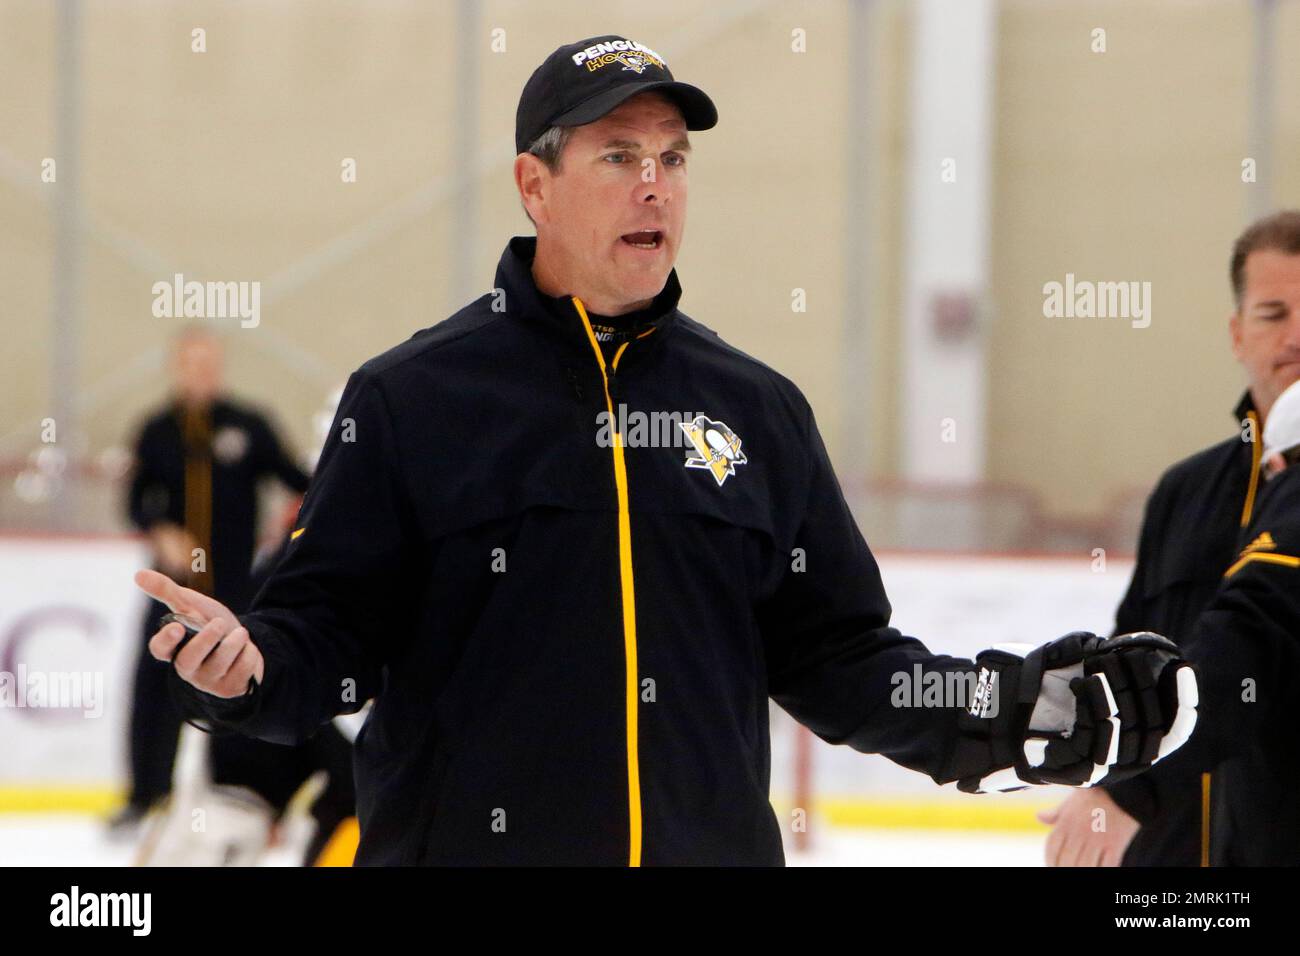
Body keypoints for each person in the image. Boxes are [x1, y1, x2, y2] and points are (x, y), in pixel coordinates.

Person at [133, 35, 1195, 866]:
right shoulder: (412, 400)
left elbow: (842, 657)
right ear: (534, 184)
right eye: (619, 156)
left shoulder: (755, 409)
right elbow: (328, 634)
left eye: (673, 158)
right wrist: (249, 667)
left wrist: (1014, 713)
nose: (656, 184)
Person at [1041, 211, 1300, 866]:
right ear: (1238, 332)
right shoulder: (1184, 494)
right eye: (1274, 314)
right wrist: (1106, 782)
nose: (1297, 338)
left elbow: (1251, 638)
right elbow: (1133, 664)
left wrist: (1130, 795)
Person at [111, 327, 311, 832]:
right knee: (154, 688)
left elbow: (301, 484)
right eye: (191, 363)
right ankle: (145, 796)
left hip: (236, 590)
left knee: (239, 687)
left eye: (209, 363)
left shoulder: (248, 424)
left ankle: (243, 797)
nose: (201, 373)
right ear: (176, 367)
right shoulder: (157, 429)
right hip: (175, 591)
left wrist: (289, 529)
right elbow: (136, 500)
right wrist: (160, 531)